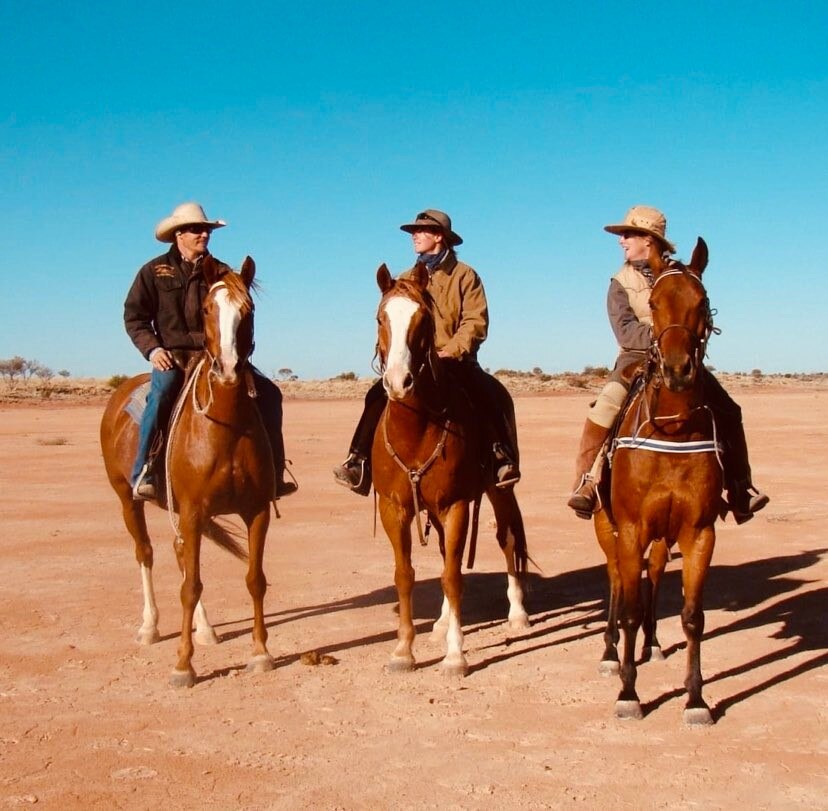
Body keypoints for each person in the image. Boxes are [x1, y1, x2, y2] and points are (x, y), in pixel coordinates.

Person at [566, 205, 769, 524]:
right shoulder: (620, 281)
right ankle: (587, 482)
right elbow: (625, 330)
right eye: (623, 236)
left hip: (679, 357)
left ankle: (740, 487)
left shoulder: (682, 275)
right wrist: (664, 336)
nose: (622, 241)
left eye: (628, 235)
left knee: (729, 409)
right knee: (604, 407)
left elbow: (697, 314)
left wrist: (680, 338)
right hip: (635, 359)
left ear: (648, 239)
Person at [333, 208, 520, 495]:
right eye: (413, 232)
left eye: (421, 231)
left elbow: (476, 321)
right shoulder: (405, 278)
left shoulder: (465, 276)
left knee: (490, 394)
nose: (415, 236)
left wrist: (452, 350)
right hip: (416, 365)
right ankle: (358, 461)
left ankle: (499, 457)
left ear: (439, 236)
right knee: (375, 395)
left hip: (456, 361)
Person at [124, 201, 297, 501]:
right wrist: (153, 350)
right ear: (178, 234)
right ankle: (145, 469)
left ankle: (275, 471)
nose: (203, 235)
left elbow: (240, 313)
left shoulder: (223, 273)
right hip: (173, 356)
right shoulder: (153, 272)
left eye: (206, 230)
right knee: (162, 393)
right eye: (195, 230)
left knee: (270, 394)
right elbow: (134, 317)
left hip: (215, 354)